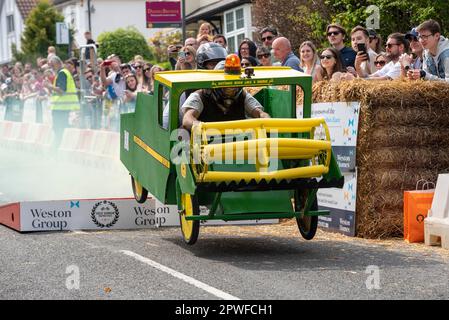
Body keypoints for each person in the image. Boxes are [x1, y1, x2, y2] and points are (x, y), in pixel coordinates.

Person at [181, 61, 270, 131]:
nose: (231, 90)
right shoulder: (199, 96)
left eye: (234, 85)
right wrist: (203, 128)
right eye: (226, 85)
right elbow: (187, 120)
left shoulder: (242, 95)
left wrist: (264, 117)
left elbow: (259, 113)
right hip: (206, 146)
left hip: (236, 146)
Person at [44, 55, 79, 149]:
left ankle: (54, 154)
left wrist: (49, 86)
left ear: (57, 63)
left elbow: (61, 91)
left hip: (61, 110)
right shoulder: (62, 73)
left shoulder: (62, 73)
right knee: (61, 134)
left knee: (59, 134)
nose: (51, 68)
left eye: (51, 65)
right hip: (63, 109)